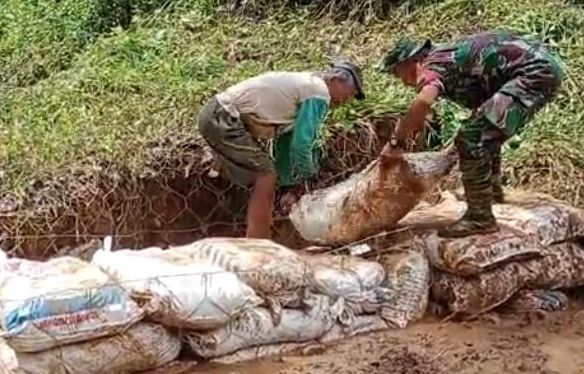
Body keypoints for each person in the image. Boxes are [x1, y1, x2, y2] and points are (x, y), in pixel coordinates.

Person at [380, 31, 564, 237]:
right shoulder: (446, 57)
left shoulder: (432, 65)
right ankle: (490, 193)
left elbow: (423, 101)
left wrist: (396, 143)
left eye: (398, 74)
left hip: (532, 72)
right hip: (540, 67)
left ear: (411, 62)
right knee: (483, 132)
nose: (402, 82)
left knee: (471, 137)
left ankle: (480, 218)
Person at [198, 60, 364, 239]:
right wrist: (311, 176)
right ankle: (258, 241)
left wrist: (287, 185)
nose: (347, 100)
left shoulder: (304, 89)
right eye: (351, 92)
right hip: (223, 117)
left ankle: (257, 225)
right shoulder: (319, 92)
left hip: (216, 113)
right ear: (337, 79)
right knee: (265, 176)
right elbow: (302, 145)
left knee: (263, 177)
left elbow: (285, 143)